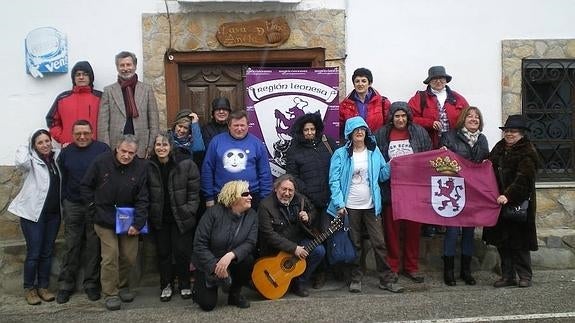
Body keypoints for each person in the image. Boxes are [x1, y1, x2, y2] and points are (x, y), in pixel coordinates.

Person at [327, 116, 403, 294]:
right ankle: (356, 278)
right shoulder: (341, 154)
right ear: (350, 133)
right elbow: (334, 181)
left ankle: (386, 279)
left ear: (367, 132)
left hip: (371, 205)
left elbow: (383, 176)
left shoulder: (373, 152)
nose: (360, 132)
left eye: (363, 129)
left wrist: (393, 164)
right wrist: (339, 203)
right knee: (356, 243)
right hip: (349, 206)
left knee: (379, 243)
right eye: (356, 129)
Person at [81, 134, 149, 311]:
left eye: (131, 153)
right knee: (110, 255)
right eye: (124, 151)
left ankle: (123, 285)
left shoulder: (141, 167)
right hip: (104, 216)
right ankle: (111, 293)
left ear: (136, 153)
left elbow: (143, 198)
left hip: (128, 218)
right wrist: (92, 208)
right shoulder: (100, 162)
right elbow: (86, 186)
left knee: (129, 256)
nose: (126, 156)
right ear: (117, 148)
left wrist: (138, 223)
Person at [374, 101, 432, 284]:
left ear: (408, 117)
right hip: (391, 188)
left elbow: (427, 156)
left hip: (413, 189)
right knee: (391, 230)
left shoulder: (419, 132)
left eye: (403, 116)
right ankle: (392, 266)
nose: (400, 119)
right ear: (392, 117)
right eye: (397, 116)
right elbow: (376, 159)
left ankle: (411, 266)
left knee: (413, 230)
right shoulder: (382, 134)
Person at [408, 65, 468, 238]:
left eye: (442, 78)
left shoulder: (457, 99)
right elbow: (409, 117)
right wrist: (428, 122)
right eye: (435, 79)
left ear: (446, 80)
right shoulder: (420, 98)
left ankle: (448, 223)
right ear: (430, 81)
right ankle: (429, 223)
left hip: (452, 149)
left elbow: (467, 117)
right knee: (429, 186)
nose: (439, 81)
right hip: (429, 147)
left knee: (449, 184)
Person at [55, 120, 110, 304]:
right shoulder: (65, 153)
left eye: (85, 133)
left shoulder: (102, 150)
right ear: (72, 134)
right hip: (73, 205)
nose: (82, 136)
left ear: (92, 132)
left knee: (93, 246)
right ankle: (65, 285)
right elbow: (63, 176)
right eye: (78, 133)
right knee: (72, 245)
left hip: (94, 205)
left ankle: (91, 284)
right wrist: (64, 201)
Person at [483, 115, 538, 288]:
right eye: (507, 131)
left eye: (513, 131)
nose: (509, 134)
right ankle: (508, 276)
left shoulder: (527, 151)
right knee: (503, 241)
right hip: (498, 202)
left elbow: (524, 178)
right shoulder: (499, 147)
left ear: (522, 133)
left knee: (520, 242)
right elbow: (489, 167)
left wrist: (508, 195)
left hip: (518, 203)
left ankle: (525, 276)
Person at [8, 129, 61, 305]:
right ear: (34, 146)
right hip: (33, 215)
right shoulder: (30, 161)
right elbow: (20, 160)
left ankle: (43, 287)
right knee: (34, 253)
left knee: (47, 252)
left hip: (53, 215)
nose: (45, 145)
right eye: (40, 142)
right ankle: (29, 289)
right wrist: (28, 142)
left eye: (47, 141)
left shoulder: (56, 159)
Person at [147, 132, 201, 302]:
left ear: (171, 147)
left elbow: (194, 191)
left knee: (182, 252)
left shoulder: (185, 164)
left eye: (164, 145)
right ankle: (166, 285)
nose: (161, 148)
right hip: (160, 218)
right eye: (158, 145)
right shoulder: (149, 166)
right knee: (163, 253)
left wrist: (190, 210)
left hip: (181, 217)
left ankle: (184, 284)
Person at [440, 106, 489, 286]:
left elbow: (485, 162)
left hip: (473, 191)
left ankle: (466, 271)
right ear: (463, 119)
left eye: (477, 117)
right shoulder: (449, 137)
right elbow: (442, 163)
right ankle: (449, 271)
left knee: (469, 231)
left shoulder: (482, 140)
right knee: (452, 231)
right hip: (454, 189)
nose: (474, 119)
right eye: (470, 116)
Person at [192, 180, 258, 311]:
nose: (250, 197)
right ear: (234, 197)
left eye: (250, 194)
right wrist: (216, 266)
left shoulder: (252, 215)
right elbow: (199, 244)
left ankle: (234, 294)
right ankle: (211, 282)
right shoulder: (213, 213)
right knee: (207, 305)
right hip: (208, 263)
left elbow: (250, 243)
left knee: (248, 259)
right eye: (246, 194)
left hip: (232, 261)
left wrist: (231, 255)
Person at [258, 174, 326, 297]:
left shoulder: (301, 199)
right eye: (284, 189)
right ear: (276, 188)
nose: (287, 193)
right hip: (275, 249)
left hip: (298, 240)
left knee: (319, 251)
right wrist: (294, 248)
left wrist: (308, 217)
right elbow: (269, 235)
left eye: (291, 190)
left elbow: (313, 211)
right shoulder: (265, 206)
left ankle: (299, 283)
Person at [201, 109, 272, 209]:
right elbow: (207, 170)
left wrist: (265, 199)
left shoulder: (257, 144)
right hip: (222, 196)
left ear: (248, 126)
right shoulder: (216, 142)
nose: (239, 129)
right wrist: (209, 197)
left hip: (250, 197)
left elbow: (265, 173)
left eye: (242, 125)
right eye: (236, 125)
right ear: (229, 126)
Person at [98, 51, 159, 158]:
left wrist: (150, 147)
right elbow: (103, 125)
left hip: (141, 146)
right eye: (122, 65)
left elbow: (154, 121)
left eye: (128, 64)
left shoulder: (147, 90)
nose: (125, 68)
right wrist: (106, 149)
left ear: (135, 66)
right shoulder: (109, 91)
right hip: (116, 146)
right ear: (117, 67)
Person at [46, 61, 102, 147]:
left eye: (85, 74)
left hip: (95, 148)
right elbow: (52, 121)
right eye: (78, 74)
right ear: (73, 78)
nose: (81, 77)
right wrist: (62, 138)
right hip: (69, 147)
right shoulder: (62, 98)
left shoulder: (101, 97)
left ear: (90, 77)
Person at [339, 68, 391, 136]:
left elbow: (389, 125)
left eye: (363, 81)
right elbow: (340, 129)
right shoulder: (344, 106)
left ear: (370, 83)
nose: (360, 84)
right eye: (357, 81)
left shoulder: (383, 102)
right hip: (355, 144)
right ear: (354, 84)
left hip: (377, 143)